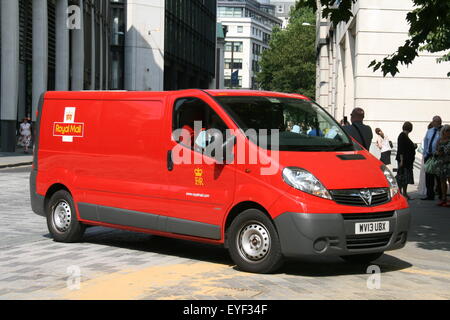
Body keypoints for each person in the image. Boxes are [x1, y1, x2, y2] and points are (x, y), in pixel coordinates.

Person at [422, 116, 443, 200]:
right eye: (434, 121)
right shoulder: (429, 131)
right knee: (429, 176)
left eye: (438, 121)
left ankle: (441, 194)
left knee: (438, 176)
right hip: (429, 156)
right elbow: (426, 142)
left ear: (440, 122)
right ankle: (430, 195)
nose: (436, 123)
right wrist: (425, 154)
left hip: (438, 156)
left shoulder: (442, 131)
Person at [396, 122, 417, 200]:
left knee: (406, 178)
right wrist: (401, 161)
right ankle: (401, 193)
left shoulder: (405, 136)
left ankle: (404, 193)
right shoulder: (402, 136)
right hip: (404, 161)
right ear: (410, 128)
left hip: (407, 161)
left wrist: (413, 146)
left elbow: (407, 147)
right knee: (402, 177)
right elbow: (401, 149)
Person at [434, 124, 450, 207]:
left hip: (448, 163)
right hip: (441, 163)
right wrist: (438, 152)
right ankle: (444, 198)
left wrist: (443, 151)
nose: (448, 132)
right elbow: (436, 150)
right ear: (443, 132)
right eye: (447, 131)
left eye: (449, 131)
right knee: (442, 182)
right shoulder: (439, 141)